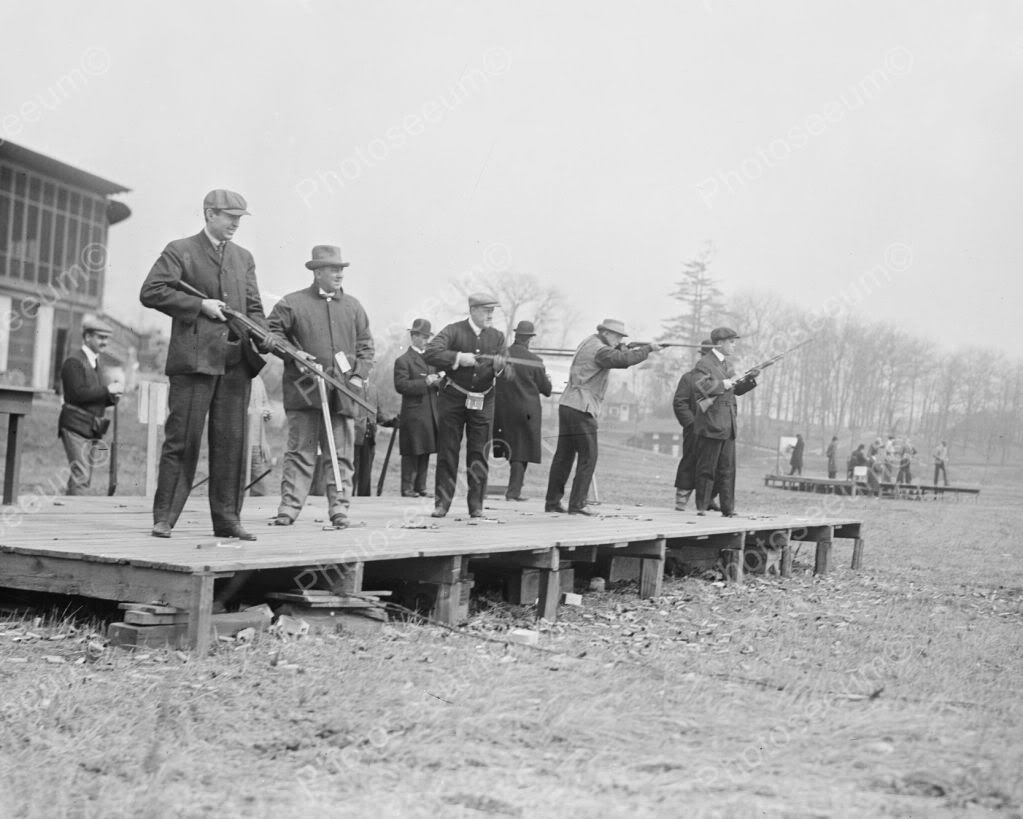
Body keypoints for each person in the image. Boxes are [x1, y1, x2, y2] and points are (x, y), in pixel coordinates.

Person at [139, 189, 271, 540]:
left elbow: (254, 309)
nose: (235, 224)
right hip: (195, 362)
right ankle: (164, 518)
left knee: (231, 443)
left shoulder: (244, 258)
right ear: (209, 214)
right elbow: (151, 291)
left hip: (235, 363)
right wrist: (200, 306)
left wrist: (266, 337)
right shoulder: (180, 249)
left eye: (239, 218)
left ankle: (227, 520)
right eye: (230, 217)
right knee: (182, 440)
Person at [267, 245, 374, 528]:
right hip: (303, 392)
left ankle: (339, 508)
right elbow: (270, 333)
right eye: (333, 269)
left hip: (342, 394)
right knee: (300, 451)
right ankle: (289, 508)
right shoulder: (292, 303)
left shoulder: (353, 307)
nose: (340, 274)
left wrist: (356, 377)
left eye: (341, 269)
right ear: (317, 272)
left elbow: (366, 346)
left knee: (341, 455)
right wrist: (293, 353)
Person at [545, 319, 657, 515]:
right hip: (582, 407)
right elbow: (622, 360)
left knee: (564, 456)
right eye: (617, 336)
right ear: (606, 333)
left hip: (568, 403)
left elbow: (614, 355)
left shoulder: (589, 342)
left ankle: (552, 501)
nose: (619, 340)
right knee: (589, 456)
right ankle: (578, 504)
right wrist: (647, 350)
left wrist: (623, 347)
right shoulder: (601, 350)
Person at [423, 293, 511, 518]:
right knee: (448, 451)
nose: (490, 314)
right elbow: (430, 353)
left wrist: (500, 368)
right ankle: (442, 503)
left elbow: (509, 372)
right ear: (472, 310)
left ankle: (476, 506)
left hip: (483, 401)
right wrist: (458, 358)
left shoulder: (498, 337)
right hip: (453, 399)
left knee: (479, 453)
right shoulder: (453, 330)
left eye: (492, 310)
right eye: (485, 310)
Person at [691, 326, 758, 517]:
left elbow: (736, 389)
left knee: (728, 470)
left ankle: (728, 509)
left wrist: (750, 378)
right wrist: (723, 384)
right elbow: (700, 387)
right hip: (712, 424)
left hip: (728, 425)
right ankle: (702, 508)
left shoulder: (726, 365)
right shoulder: (704, 363)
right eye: (731, 342)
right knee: (707, 469)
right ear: (720, 344)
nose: (734, 345)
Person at [57, 317, 124, 495]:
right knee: (82, 474)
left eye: (106, 338)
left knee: (82, 475)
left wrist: (112, 396)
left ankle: (69, 513)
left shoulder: (96, 362)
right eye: (100, 337)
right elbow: (77, 394)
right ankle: (74, 517)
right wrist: (107, 389)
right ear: (87, 337)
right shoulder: (74, 362)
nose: (105, 342)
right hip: (75, 425)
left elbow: (93, 394)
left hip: (91, 427)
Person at [493, 320, 553, 501]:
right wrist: (547, 378)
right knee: (522, 450)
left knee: (512, 448)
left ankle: (514, 489)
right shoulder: (536, 361)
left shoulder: (503, 356)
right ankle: (513, 492)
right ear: (529, 339)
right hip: (528, 412)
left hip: (504, 410)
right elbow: (547, 390)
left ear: (516, 335)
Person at [393, 319, 442, 498]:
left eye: (427, 337)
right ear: (413, 337)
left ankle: (420, 487)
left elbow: (437, 380)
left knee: (426, 450)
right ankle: (407, 488)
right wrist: (425, 382)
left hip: (430, 413)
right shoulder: (403, 360)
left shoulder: (431, 359)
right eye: (422, 337)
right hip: (414, 414)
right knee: (412, 451)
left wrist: (439, 380)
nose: (425, 340)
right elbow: (401, 385)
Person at [671, 339, 712, 511]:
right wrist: (691, 424)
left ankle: (708, 501)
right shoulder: (689, 378)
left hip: (715, 430)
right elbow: (680, 402)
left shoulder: (721, 379)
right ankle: (681, 500)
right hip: (694, 430)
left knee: (711, 466)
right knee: (689, 463)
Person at [352, 381, 397, 497]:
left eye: (372, 363)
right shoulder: (351, 384)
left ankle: (363, 502)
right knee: (351, 471)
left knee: (366, 472)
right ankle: (347, 500)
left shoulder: (373, 388)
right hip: (353, 435)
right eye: (368, 362)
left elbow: (378, 414)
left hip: (369, 436)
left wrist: (391, 422)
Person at [247, 372, 274, 496]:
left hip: (256, 443)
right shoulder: (236, 377)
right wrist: (258, 411)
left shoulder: (258, 380)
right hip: (239, 443)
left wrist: (267, 412)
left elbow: (265, 405)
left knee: (259, 485)